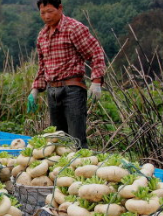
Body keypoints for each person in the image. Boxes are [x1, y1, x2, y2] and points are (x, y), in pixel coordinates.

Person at [28, 0, 105, 148]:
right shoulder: (42, 35)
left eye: (50, 11)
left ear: (60, 8)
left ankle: (82, 168)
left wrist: (96, 82)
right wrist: (35, 90)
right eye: (42, 13)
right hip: (52, 91)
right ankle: (63, 170)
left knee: (76, 140)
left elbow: (96, 52)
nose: (46, 16)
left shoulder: (73, 28)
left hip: (72, 90)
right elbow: (42, 65)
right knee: (58, 140)